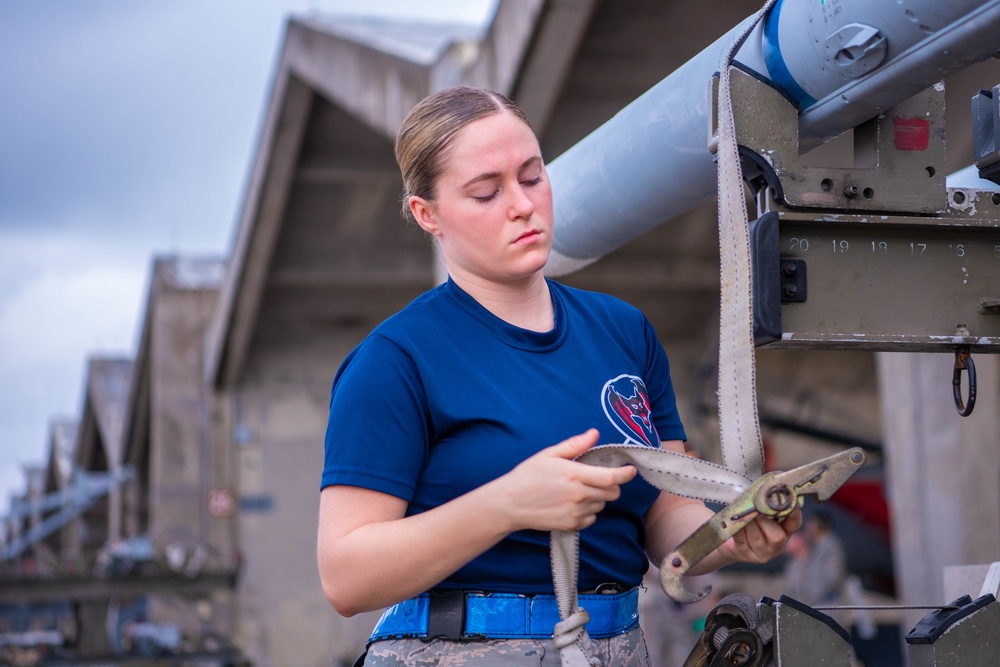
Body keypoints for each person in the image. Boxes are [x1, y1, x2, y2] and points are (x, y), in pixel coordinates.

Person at [317, 85, 801, 666]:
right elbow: (346, 577)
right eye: (486, 192)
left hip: (617, 648)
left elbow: (666, 515)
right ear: (428, 215)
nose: (522, 204)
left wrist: (730, 529)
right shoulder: (396, 359)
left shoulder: (624, 330)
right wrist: (508, 504)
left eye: (531, 176)